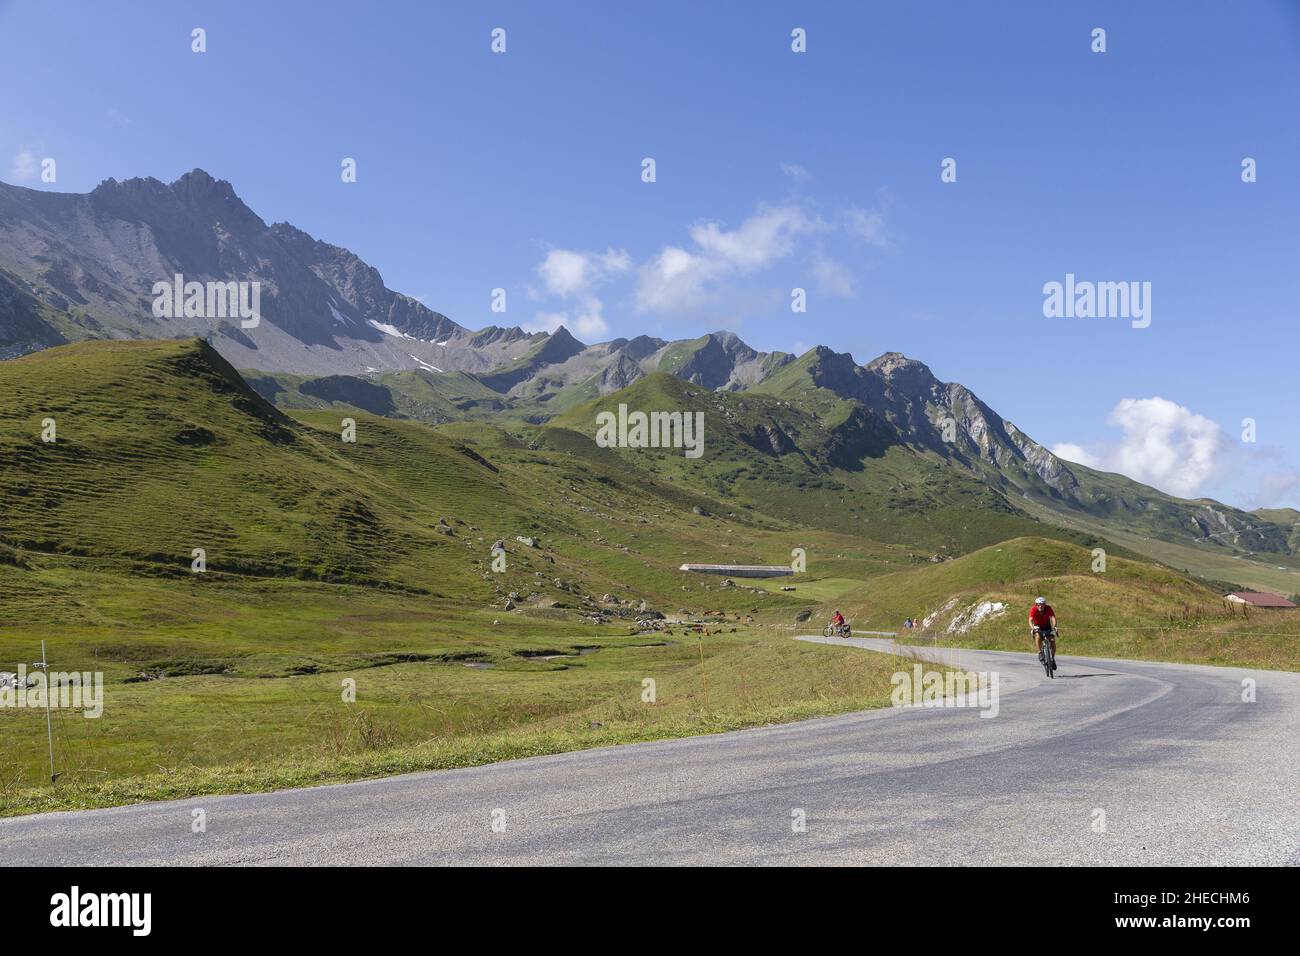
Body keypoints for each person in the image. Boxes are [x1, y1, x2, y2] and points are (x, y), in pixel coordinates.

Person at [1029, 596, 1057, 669]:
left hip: (1047, 625)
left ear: (1045, 605)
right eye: (1038, 604)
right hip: (1037, 626)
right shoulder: (1033, 609)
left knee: (1052, 640)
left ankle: (1052, 659)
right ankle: (1040, 653)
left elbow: (1053, 617)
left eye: (1042, 604)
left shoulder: (1048, 608)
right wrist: (1033, 628)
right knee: (1038, 636)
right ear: (1036, 605)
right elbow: (1030, 620)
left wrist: (1054, 626)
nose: (1040, 606)